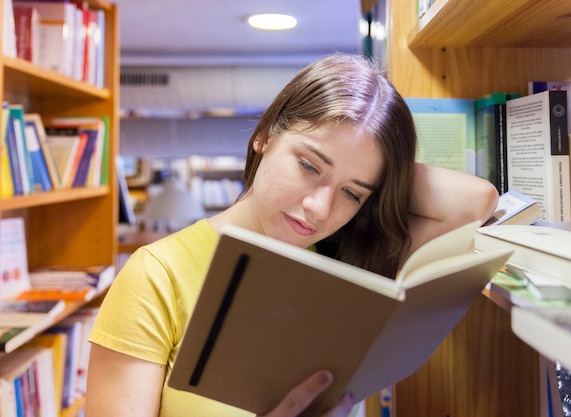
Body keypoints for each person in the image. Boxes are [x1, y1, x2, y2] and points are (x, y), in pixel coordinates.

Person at [84, 53, 498, 417]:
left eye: (351, 193)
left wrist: (381, 172)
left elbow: (475, 202)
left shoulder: (347, 261)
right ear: (264, 135)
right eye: (309, 165)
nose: (320, 209)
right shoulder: (156, 275)